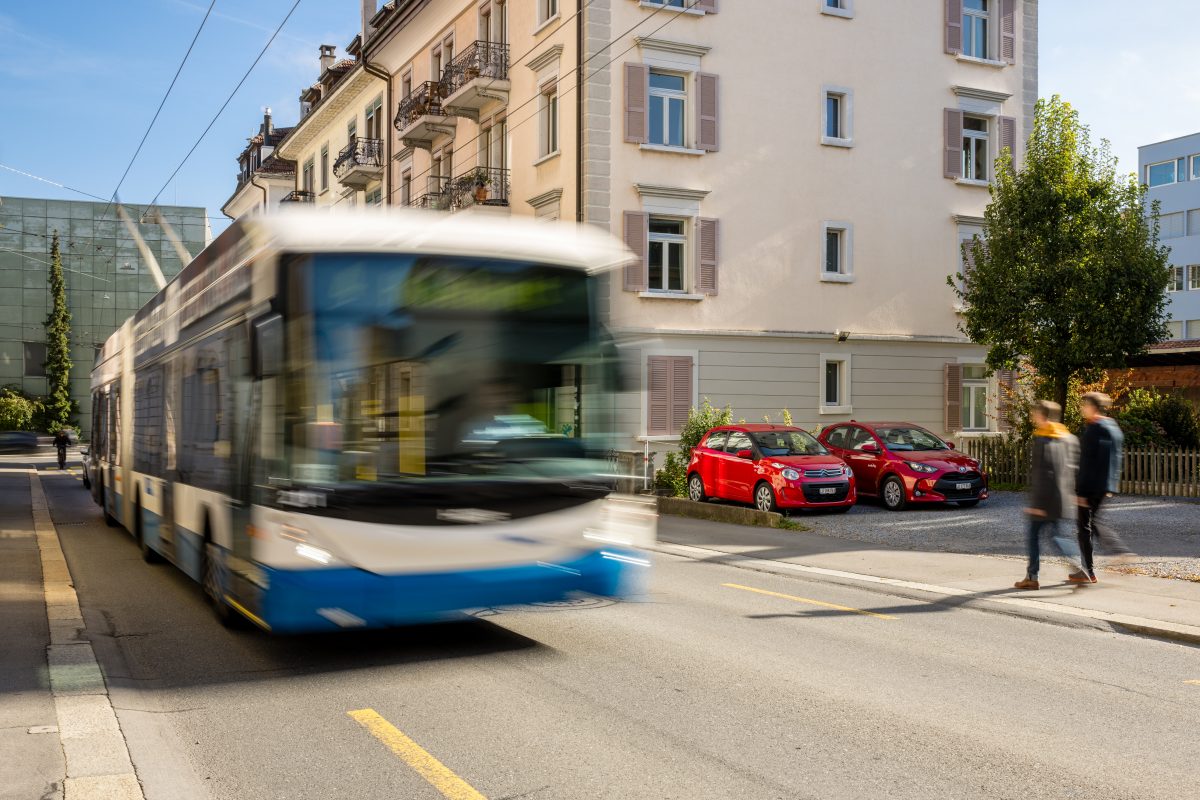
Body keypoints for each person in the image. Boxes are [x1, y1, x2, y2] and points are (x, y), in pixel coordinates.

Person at [1014, 400, 1091, 590]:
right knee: (1056, 536)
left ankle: (1032, 577)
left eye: (1035, 414)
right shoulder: (1069, 438)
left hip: (1044, 500)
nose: (1034, 418)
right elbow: (1073, 468)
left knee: (1033, 536)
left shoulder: (1043, 439)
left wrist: (1037, 504)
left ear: (1042, 416)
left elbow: (1045, 472)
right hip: (1062, 498)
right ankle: (1079, 569)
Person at [1075, 391, 1131, 583]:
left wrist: (1081, 492)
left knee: (1084, 527)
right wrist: (1110, 485)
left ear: (1093, 407)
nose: (1083, 409)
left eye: (1084, 405)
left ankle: (1088, 571)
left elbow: (1087, 462)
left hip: (1089, 486)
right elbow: (1115, 457)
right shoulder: (1112, 426)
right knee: (1095, 522)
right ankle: (1118, 551)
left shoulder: (1093, 429)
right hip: (1104, 484)